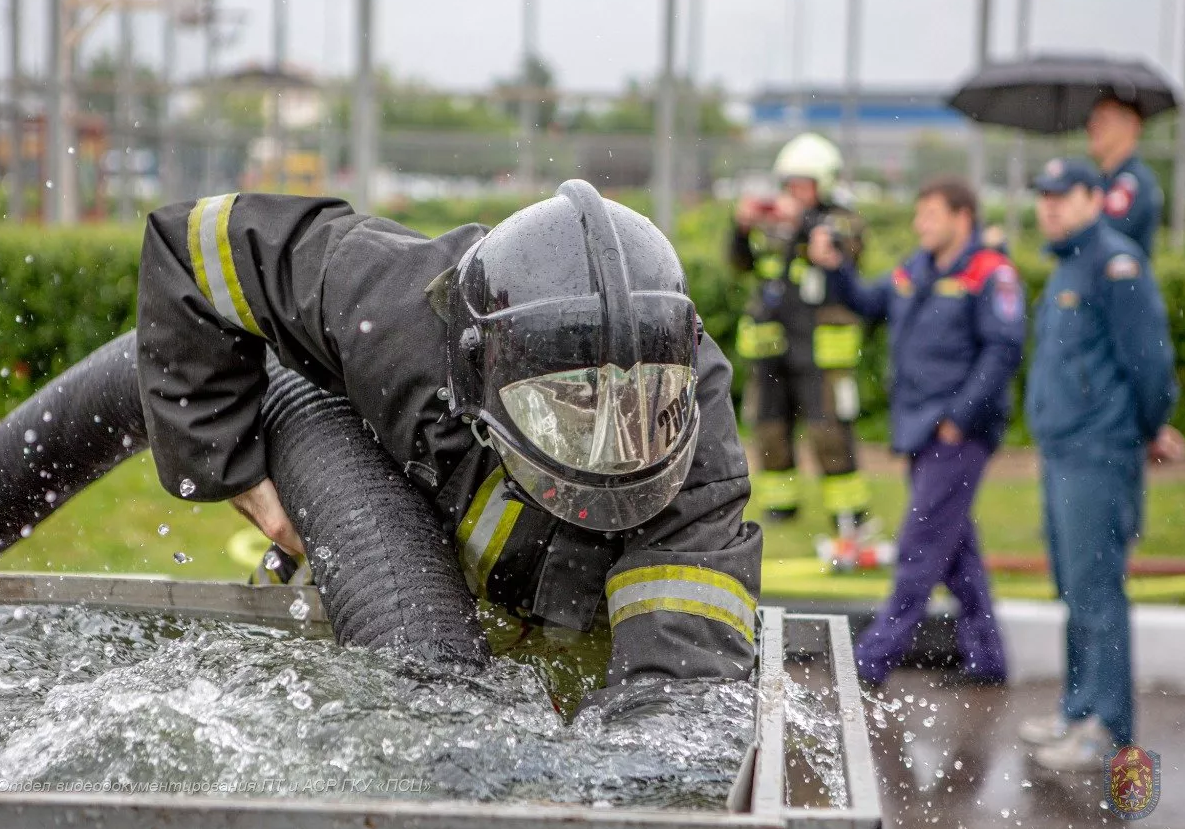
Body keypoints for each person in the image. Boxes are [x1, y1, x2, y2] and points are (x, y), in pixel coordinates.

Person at [136, 179, 763, 709]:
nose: (608, 438)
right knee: (286, 715)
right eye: (566, 409)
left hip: (582, 614)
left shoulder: (696, 422)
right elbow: (196, 243)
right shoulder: (395, 311)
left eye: (639, 412)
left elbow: (686, 661)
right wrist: (226, 465)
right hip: (370, 561)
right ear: (479, 367)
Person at [808, 176, 1023, 688]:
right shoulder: (914, 269)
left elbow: (1003, 351)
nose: (919, 223)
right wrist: (836, 267)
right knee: (956, 551)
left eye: (929, 213)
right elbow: (866, 301)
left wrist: (959, 419)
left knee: (920, 545)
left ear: (961, 216)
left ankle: (870, 662)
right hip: (919, 428)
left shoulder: (990, 273)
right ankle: (987, 660)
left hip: (956, 434)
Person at [1017, 158, 1179, 772]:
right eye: (1044, 195)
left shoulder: (1118, 264)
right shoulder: (1068, 261)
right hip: (1064, 452)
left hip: (1098, 453)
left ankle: (1107, 728)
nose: (1050, 206)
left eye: (1064, 195)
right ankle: (1077, 706)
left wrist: (1139, 431)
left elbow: (1151, 366)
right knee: (1073, 588)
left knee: (1097, 591)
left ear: (1094, 199)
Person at [727, 133, 871, 527]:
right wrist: (741, 228)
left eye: (804, 183)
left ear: (824, 182)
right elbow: (742, 264)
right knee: (770, 429)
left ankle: (849, 513)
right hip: (773, 344)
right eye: (790, 183)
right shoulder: (774, 221)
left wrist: (801, 224)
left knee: (829, 432)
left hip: (822, 348)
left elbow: (845, 246)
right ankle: (781, 508)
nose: (795, 192)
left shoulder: (843, 217)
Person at [1087, 96, 1163, 256]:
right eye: (1092, 119)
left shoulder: (1132, 181)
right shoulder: (1105, 179)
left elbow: (1097, 239)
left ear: (1131, 125)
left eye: (1103, 119)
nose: (1092, 126)